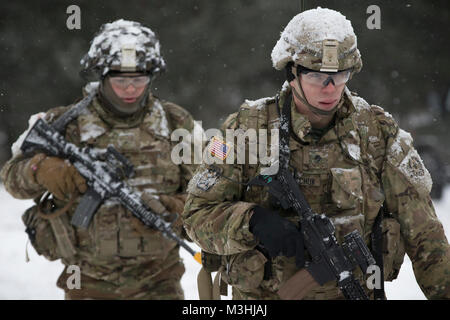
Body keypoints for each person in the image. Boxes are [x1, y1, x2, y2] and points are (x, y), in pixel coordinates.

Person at [182, 7, 450, 299]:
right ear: (292, 73)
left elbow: (426, 236)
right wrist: (251, 221)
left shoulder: (377, 132)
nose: (330, 88)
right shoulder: (244, 129)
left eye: (340, 75)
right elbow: (197, 215)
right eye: (317, 77)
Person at [1, 19, 198, 300]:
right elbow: (11, 178)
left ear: (151, 77)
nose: (130, 89)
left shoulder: (177, 122)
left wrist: (172, 210)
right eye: (120, 81)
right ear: (102, 77)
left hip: (160, 284)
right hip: (86, 283)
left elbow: (210, 194)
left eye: (139, 80)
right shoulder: (65, 123)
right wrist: (41, 169)